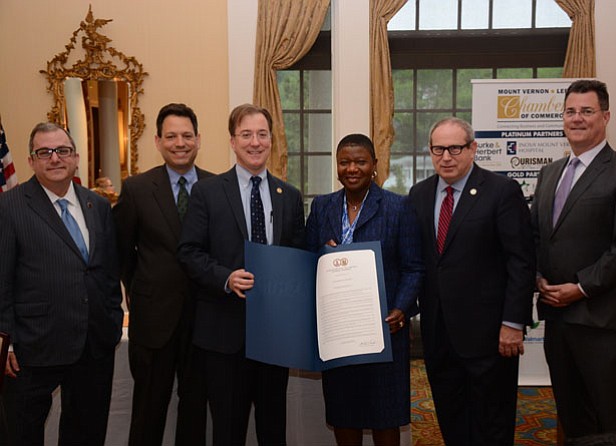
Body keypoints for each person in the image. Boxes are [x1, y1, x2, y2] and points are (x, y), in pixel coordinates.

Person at [530, 79, 616, 441]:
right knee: (573, 419)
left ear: (605, 116)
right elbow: (538, 235)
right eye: (570, 111)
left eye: (587, 111)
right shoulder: (550, 172)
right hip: (558, 318)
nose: (577, 118)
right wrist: (538, 276)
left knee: (614, 423)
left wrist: (581, 287)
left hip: (604, 322)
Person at [178, 103, 305, 445]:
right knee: (227, 431)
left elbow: (298, 257)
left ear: (272, 140)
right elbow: (188, 253)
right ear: (232, 142)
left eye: (262, 134)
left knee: (272, 430)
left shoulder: (289, 197)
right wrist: (225, 278)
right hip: (224, 334)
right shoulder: (206, 192)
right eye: (246, 134)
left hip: (274, 338)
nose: (255, 142)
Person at [408, 117, 536, 445]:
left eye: (455, 148)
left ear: (473, 148)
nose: (446, 157)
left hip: (490, 337)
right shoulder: (419, 194)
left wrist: (512, 322)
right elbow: (413, 257)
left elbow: (520, 261)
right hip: (438, 333)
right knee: (451, 418)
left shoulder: (502, 191)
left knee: (491, 423)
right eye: (438, 149)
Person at [0, 122, 123, 445]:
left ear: (76, 157)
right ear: (31, 161)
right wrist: (5, 340)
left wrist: (111, 320)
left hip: (93, 345)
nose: (55, 158)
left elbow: (108, 271)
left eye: (63, 151)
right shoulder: (9, 207)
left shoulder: (96, 205)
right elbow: (2, 279)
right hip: (32, 347)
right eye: (45, 152)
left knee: (87, 433)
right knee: (22, 434)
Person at [305, 134, 423, 446]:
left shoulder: (398, 207)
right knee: (345, 413)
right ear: (337, 166)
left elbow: (414, 267)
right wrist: (321, 253)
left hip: (383, 333)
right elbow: (305, 262)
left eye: (360, 161)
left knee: (385, 415)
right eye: (344, 162)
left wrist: (402, 309)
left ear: (374, 165)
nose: (352, 168)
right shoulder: (321, 207)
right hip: (338, 334)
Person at [114, 103, 212, 445]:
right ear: (157, 141)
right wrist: (143, 291)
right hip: (153, 321)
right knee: (147, 412)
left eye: (187, 135)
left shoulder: (217, 187)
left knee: (195, 411)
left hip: (204, 320)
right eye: (171, 136)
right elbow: (122, 254)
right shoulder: (137, 189)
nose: (180, 142)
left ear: (199, 139)